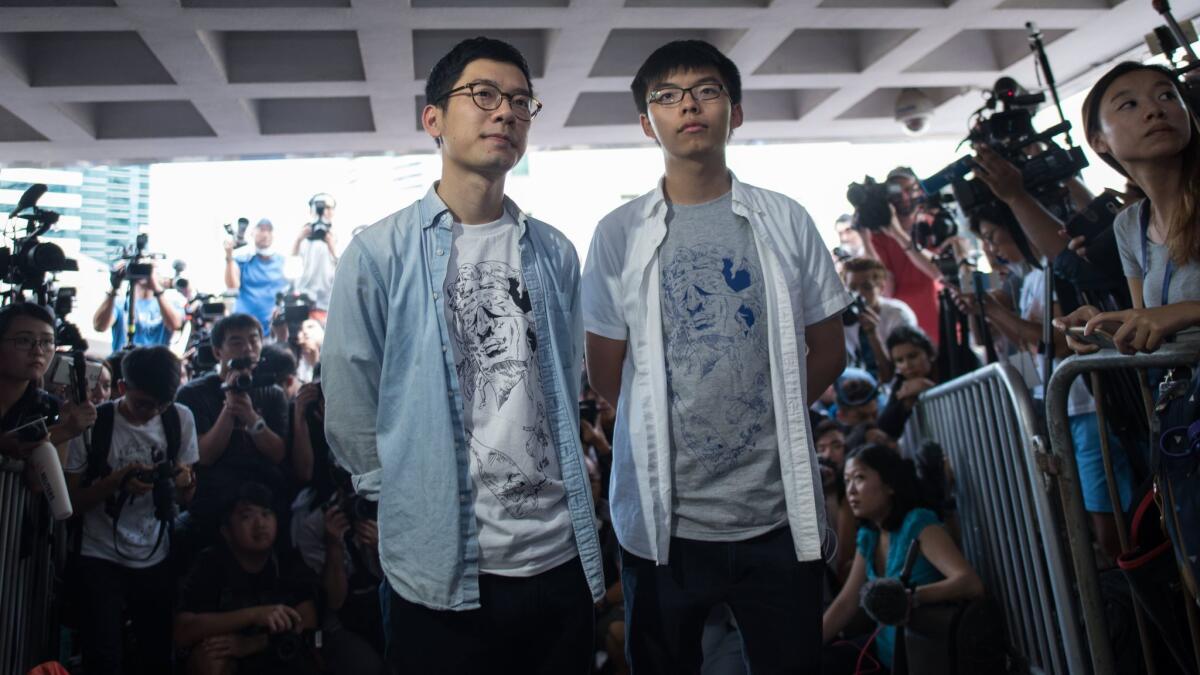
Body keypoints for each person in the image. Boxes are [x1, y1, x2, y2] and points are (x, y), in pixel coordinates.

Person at [322, 36, 604, 675]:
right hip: (440, 565)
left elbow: (562, 378)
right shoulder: (377, 253)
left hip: (557, 557)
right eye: (483, 95)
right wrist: (406, 499)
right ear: (433, 120)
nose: (504, 112)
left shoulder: (555, 252)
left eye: (519, 102)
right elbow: (348, 401)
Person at [582, 40, 850, 673]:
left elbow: (830, 352)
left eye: (705, 90)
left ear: (735, 109)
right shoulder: (618, 233)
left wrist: (765, 412)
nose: (689, 106)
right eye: (667, 97)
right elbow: (604, 372)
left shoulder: (785, 219)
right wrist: (674, 428)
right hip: (663, 523)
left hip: (776, 515)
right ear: (648, 123)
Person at [961, 203, 1135, 559]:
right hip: (1064, 408)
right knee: (1090, 516)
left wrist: (995, 311)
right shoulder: (1030, 277)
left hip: (1087, 406)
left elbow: (1051, 340)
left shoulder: (1052, 273)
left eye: (993, 237)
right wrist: (986, 311)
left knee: (1111, 523)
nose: (992, 249)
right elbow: (1025, 343)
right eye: (985, 242)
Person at [64, 346, 199, 675]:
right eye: (143, 404)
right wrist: (115, 482)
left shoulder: (179, 418)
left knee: (155, 653)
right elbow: (70, 502)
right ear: (122, 389)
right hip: (98, 554)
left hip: (155, 552)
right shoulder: (97, 424)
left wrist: (185, 480)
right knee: (104, 656)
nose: (152, 413)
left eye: (161, 405)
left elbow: (189, 498)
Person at [1057, 61, 1200, 353]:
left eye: (1168, 96)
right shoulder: (1130, 224)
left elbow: (1172, 318)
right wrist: (1100, 325)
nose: (1155, 110)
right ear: (1098, 141)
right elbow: (1148, 330)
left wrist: (1190, 310)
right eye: (1129, 104)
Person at [822, 444, 984, 673]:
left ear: (889, 484)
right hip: (884, 653)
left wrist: (911, 598)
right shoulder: (869, 535)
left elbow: (970, 583)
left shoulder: (918, 524)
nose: (851, 490)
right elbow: (846, 603)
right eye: (846, 481)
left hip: (917, 659)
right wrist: (803, 650)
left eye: (859, 478)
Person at [174, 313, 289, 559]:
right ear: (218, 352)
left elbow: (278, 453)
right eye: (236, 342)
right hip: (214, 497)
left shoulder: (273, 392)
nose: (247, 348)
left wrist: (250, 416)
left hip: (263, 496)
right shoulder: (193, 394)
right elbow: (204, 456)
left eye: (254, 340)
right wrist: (230, 407)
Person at [175, 482, 320, 675]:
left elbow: (308, 621)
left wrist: (255, 643)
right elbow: (182, 630)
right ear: (226, 531)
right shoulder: (210, 563)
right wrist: (254, 615)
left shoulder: (286, 559)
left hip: (274, 651)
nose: (260, 524)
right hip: (231, 656)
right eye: (246, 516)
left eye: (266, 514)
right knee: (209, 659)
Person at [0, 304, 94, 469]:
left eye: (47, 342)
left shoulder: (48, 407)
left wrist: (67, 428)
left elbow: (40, 485)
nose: (38, 351)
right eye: (23, 340)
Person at [858, 167, 943, 341]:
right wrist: (865, 238)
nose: (904, 197)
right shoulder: (879, 237)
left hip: (939, 319)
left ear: (918, 190)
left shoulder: (933, 225)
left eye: (909, 190)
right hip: (903, 325)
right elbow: (886, 289)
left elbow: (936, 272)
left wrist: (898, 234)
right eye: (897, 191)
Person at [842, 257, 919, 382]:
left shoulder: (898, 315)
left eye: (867, 287)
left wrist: (872, 334)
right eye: (852, 288)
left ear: (881, 288)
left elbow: (898, 371)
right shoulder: (843, 319)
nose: (859, 295)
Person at [94, 262, 184, 353]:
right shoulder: (120, 303)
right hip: (123, 363)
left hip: (155, 364)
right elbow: (99, 326)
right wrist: (114, 287)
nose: (145, 273)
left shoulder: (171, 305)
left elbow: (175, 325)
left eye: (150, 269)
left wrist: (157, 288)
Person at [225, 218, 289, 333]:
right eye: (261, 230)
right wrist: (229, 256)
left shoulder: (283, 262)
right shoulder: (242, 261)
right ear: (252, 233)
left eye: (269, 230)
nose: (265, 234)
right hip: (245, 327)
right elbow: (232, 286)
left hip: (274, 327)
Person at [877, 325, 939, 439]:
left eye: (912, 356)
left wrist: (931, 389)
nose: (907, 365)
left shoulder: (951, 363)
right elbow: (885, 429)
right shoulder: (902, 384)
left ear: (929, 353)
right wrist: (905, 405)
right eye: (899, 360)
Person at [293, 195, 339, 323]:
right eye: (320, 207)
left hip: (329, 305)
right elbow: (291, 269)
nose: (324, 211)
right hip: (303, 302)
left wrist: (332, 247)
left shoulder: (338, 237)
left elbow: (345, 272)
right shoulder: (302, 237)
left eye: (329, 207)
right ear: (311, 211)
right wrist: (298, 240)